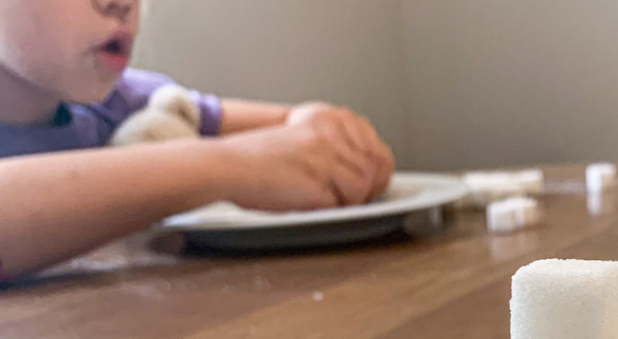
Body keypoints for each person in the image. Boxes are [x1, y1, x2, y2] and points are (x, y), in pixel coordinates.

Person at [0, 0, 394, 277]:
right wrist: (233, 166)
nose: (121, 3)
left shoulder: (126, 102)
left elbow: (310, 129)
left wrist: (328, 137)